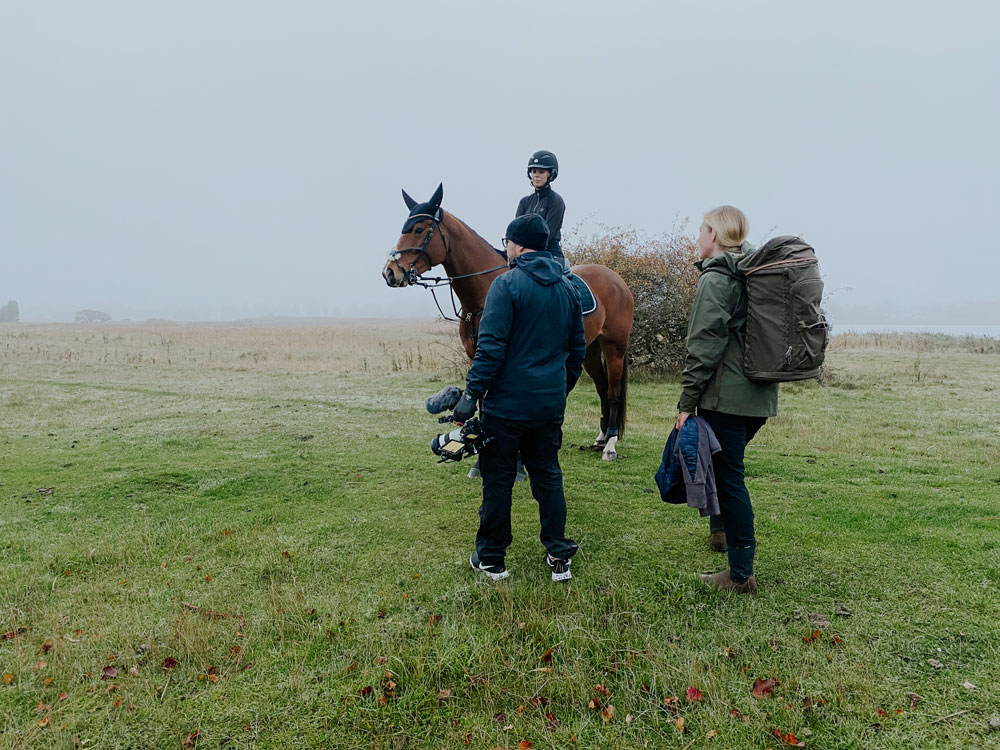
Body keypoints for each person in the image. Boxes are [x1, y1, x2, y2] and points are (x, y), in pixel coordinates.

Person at [453, 213, 586, 582]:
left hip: (506, 407)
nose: (505, 247)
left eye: (507, 241)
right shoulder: (569, 289)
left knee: (497, 479)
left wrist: (471, 393)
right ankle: (559, 555)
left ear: (517, 244)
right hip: (548, 405)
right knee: (548, 475)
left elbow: (490, 349)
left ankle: (492, 559)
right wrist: (560, 388)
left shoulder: (505, 285)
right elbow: (577, 351)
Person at [676, 205, 778, 594]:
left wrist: (687, 402)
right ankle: (720, 535)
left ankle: (740, 575)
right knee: (724, 469)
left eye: (701, 231)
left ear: (714, 235)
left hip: (727, 398)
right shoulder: (751, 270)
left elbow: (703, 346)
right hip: (758, 396)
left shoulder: (717, 279)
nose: (697, 238)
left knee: (730, 477)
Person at [516, 150, 567, 262]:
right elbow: (516, 230)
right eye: (534, 172)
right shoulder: (524, 202)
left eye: (541, 172)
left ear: (551, 174)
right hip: (524, 253)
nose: (536, 176)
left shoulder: (555, 200)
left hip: (550, 254)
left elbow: (548, 233)